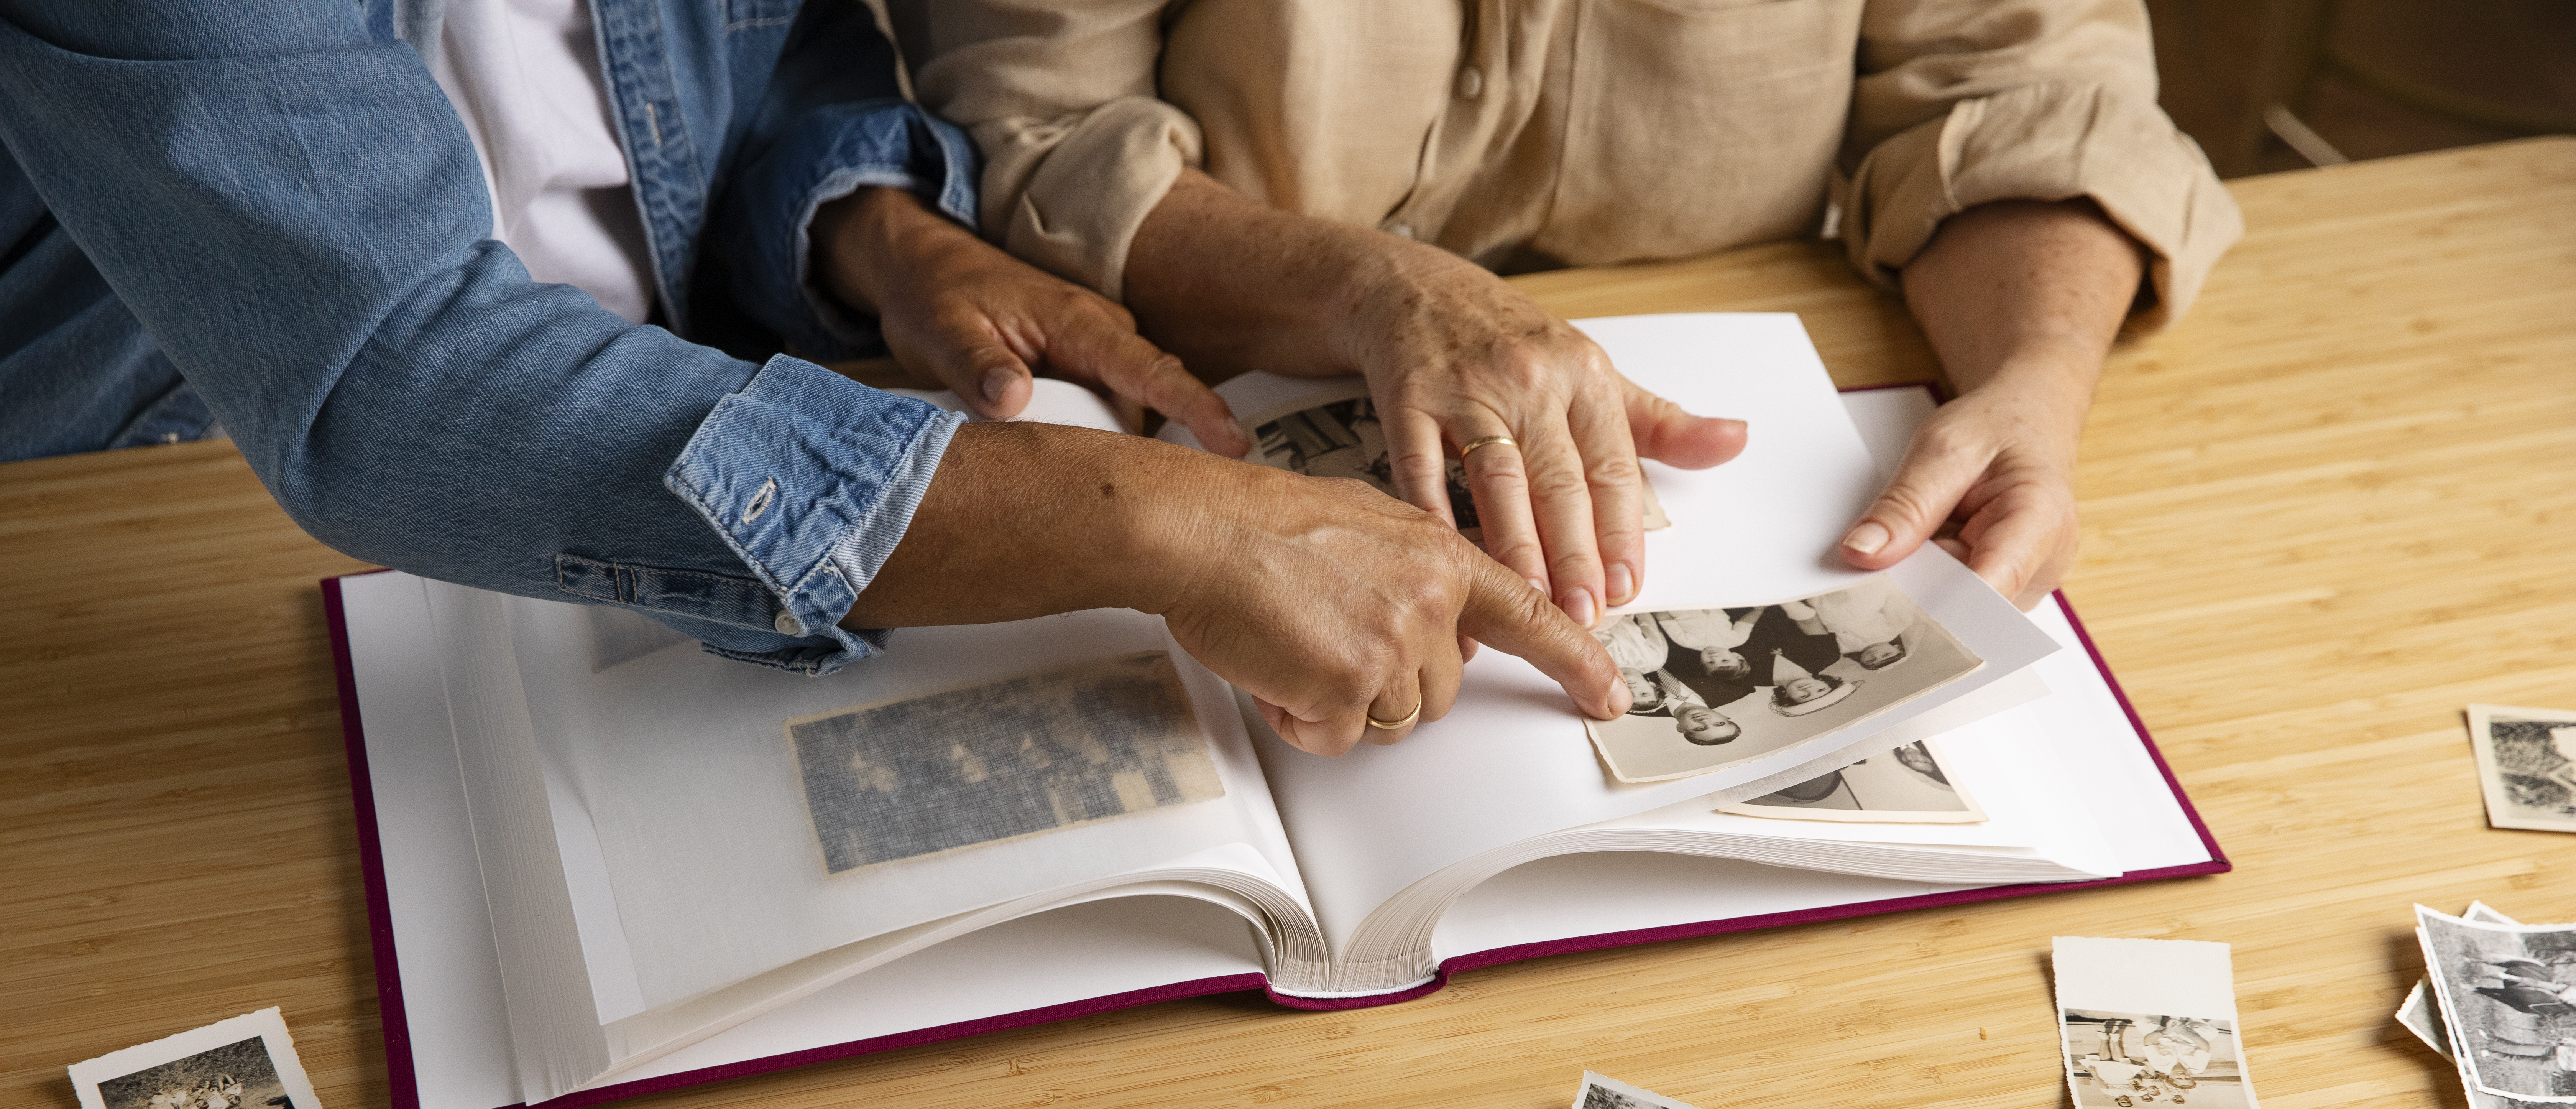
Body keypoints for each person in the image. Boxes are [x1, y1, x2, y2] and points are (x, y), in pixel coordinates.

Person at [0, 0, 1627, 757]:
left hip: (699, 469)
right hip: (160, 548)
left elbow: (762, 56)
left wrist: (879, 233)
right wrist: (1170, 526)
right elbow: (391, 373)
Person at [893, 0, 2241, 621]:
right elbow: (1035, 132)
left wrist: (2036, 376)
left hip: (1753, 441)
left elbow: (2023, 93)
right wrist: (1376, 284)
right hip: (1209, 389)